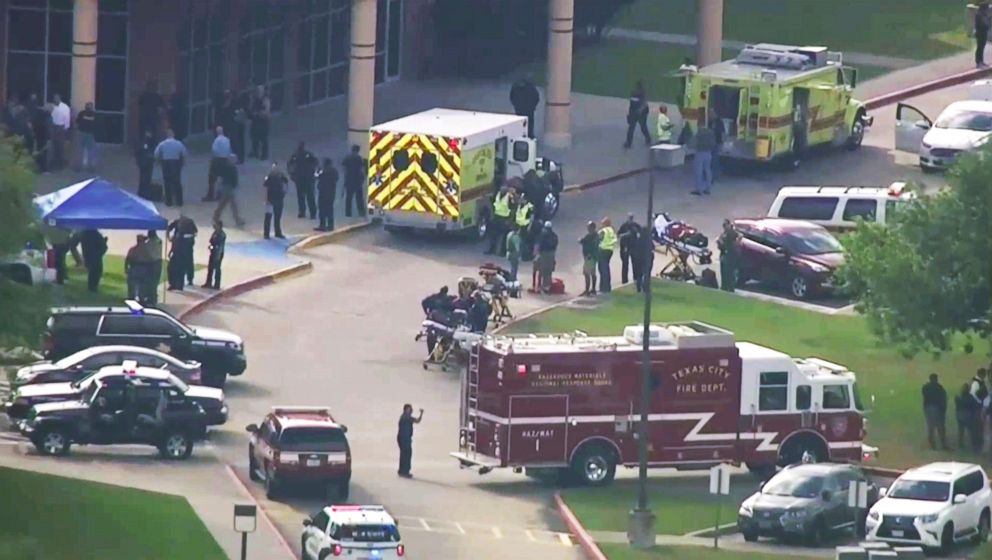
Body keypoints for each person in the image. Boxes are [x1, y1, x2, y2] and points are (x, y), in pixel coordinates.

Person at [154, 129, 187, 207]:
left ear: (167, 135)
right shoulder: (179, 143)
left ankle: (169, 202)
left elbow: (156, 153)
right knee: (177, 182)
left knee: (167, 182)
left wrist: (158, 161)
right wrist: (183, 162)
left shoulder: (162, 144)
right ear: (173, 135)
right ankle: (179, 201)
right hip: (176, 163)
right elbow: (184, 153)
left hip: (166, 163)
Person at [288, 141, 319, 219]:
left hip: (306, 178)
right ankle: (304, 212)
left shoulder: (305, 155)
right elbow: (289, 165)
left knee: (308, 196)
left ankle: (311, 213)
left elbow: (316, 162)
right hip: (302, 178)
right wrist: (292, 174)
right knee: (303, 197)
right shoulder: (297, 155)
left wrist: (292, 174)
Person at [167, 212, 197, 288]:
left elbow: (194, 233)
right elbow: (169, 229)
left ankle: (184, 282)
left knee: (184, 266)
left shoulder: (189, 224)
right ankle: (173, 283)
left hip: (186, 250)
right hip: (177, 250)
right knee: (173, 268)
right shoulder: (177, 223)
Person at [213, 155, 245, 227]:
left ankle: (216, 217)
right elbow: (229, 179)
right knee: (233, 204)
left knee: (223, 204)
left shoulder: (228, 167)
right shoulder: (229, 168)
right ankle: (237, 220)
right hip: (228, 188)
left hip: (227, 187)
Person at [922, 373, 949, 451]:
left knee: (931, 426)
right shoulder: (939, 387)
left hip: (928, 408)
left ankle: (932, 443)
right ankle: (943, 444)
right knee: (940, 427)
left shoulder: (925, 387)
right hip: (937, 408)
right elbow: (943, 398)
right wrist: (943, 409)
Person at [396, 404, 423, 478]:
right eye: (409, 409)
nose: (410, 410)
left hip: (404, 438)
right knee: (406, 455)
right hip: (404, 439)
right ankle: (405, 471)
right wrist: (421, 413)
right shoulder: (406, 417)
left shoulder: (405, 417)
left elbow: (416, 421)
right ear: (405, 409)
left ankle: (402, 471)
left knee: (404, 455)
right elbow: (417, 421)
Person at [691, 119, 716, 195]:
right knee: (708, 170)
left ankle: (698, 189)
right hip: (708, 153)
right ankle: (708, 188)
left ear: (699, 125)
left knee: (698, 171)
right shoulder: (710, 132)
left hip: (700, 152)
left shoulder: (699, 133)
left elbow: (693, 142)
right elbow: (714, 143)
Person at [206, 126, 231, 202]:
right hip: (225, 160)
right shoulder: (227, 140)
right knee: (223, 178)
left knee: (212, 178)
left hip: (217, 160)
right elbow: (229, 150)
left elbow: (214, 150)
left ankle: (211, 195)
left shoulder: (217, 140)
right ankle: (221, 194)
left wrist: (212, 160)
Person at [263, 162, 288, 239]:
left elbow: (286, 184)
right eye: (274, 168)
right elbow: (265, 188)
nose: (275, 170)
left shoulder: (281, 176)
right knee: (268, 216)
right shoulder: (269, 177)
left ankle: (277, 232)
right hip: (270, 199)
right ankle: (266, 234)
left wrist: (284, 193)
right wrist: (265, 199)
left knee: (277, 216)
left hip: (279, 198)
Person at [486, 185, 513, 255]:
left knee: (503, 237)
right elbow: (494, 202)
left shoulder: (509, 197)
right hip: (496, 217)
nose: (502, 190)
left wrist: (509, 220)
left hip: (505, 218)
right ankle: (492, 249)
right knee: (493, 235)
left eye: (504, 189)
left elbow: (512, 209)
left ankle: (503, 252)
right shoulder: (497, 194)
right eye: (501, 188)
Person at [623, 81, 650, 149]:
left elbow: (644, 105)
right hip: (635, 113)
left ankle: (648, 138)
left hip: (641, 113)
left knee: (642, 127)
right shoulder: (634, 93)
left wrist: (639, 111)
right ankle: (629, 142)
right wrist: (630, 114)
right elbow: (631, 105)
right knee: (632, 128)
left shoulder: (641, 95)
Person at [617, 214, 642, 286]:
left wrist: (638, 235)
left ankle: (636, 279)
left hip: (634, 247)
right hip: (625, 247)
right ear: (627, 218)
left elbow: (641, 233)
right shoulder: (624, 226)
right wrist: (626, 234)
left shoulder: (636, 226)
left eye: (631, 218)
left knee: (635, 264)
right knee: (625, 264)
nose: (630, 219)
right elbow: (618, 235)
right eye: (629, 218)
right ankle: (624, 280)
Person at [342, 145, 366, 217]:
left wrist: (345, 179)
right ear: (357, 150)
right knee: (359, 198)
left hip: (349, 179)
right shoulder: (359, 158)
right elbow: (362, 169)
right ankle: (361, 212)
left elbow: (344, 168)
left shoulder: (347, 157)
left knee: (349, 198)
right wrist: (363, 177)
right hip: (357, 180)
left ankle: (348, 213)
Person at [315, 157, 339, 231]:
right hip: (331, 192)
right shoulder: (334, 171)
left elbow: (315, 176)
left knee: (322, 209)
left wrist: (318, 170)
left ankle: (322, 225)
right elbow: (336, 179)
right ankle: (330, 225)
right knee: (330, 209)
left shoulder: (322, 170)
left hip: (323, 192)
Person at [716, 220, 739, 292]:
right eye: (723, 225)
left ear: (728, 225)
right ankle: (724, 286)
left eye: (725, 225)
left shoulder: (731, 232)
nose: (724, 227)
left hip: (730, 254)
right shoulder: (724, 233)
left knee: (729, 271)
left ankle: (730, 287)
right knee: (723, 271)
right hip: (723, 253)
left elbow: (739, 236)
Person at [248, 85, 270, 160]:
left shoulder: (265, 100)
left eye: (259, 91)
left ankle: (264, 154)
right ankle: (255, 152)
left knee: (263, 138)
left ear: (263, 92)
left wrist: (258, 113)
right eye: (257, 91)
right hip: (255, 121)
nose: (258, 92)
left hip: (263, 121)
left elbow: (267, 111)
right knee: (254, 137)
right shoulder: (254, 99)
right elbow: (251, 108)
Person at [49, 94, 70, 170]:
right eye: (54, 98)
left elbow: (67, 118)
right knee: (54, 144)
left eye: (56, 98)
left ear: (59, 99)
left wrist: (66, 128)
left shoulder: (65, 107)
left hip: (61, 127)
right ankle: (54, 161)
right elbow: (51, 117)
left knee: (60, 145)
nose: (55, 100)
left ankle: (61, 162)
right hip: (54, 127)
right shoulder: (53, 107)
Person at [203, 221, 226, 290]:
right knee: (210, 267)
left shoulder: (222, 234)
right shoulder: (215, 233)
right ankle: (208, 283)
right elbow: (211, 241)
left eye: (216, 225)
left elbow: (219, 245)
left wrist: (218, 254)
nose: (214, 226)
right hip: (213, 252)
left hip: (218, 252)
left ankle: (217, 284)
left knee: (217, 268)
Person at [536, 221, 558, 293]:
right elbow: (555, 244)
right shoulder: (554, 235)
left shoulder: (542, 234)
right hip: (551, 254)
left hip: (544, 254)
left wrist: (537, 252)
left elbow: (539, 244)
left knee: (542, 270)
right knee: (549, 271)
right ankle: (547, 287)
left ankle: (541, 286)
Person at [956, 383, 979, 451]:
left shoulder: (958, 397)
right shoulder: (970, 397)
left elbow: (957, 407)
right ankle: (973, 445)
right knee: (971, 431)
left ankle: (961, 445)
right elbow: (974, 406)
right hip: (968, 416)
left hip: (960, 415)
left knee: (961, 432)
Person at [970, 368, 989, 451]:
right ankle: (977, 443)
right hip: (977, 407)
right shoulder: (976, 383)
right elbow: (973, 394)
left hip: (978, 406)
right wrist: (980, 402)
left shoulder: (978, 382)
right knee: (978, 425)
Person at [75, 101, 97, 171]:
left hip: (90, 134)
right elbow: (77, 122)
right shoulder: (82, 113)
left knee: (90, 150)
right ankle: (80, 166)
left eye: (90, 106)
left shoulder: (94, 114)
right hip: (82, 133)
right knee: (81, 150)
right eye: (88, 106)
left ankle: (91, 166)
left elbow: (96, 124)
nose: (89, 107)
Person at [135, 130, 156, 199]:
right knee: (143, 178)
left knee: (147, 178)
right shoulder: (142, 142)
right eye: (147, 133)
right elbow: (138, 152)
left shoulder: (152, 142)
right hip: (143, 163)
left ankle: (145, 193)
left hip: (149, 163)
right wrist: (138, 161)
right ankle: (141, 192)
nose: (149, 135)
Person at [598, 217, 617, 293]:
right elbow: (615, 239)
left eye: (602, 223)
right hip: (610, 250)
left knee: (603, 269)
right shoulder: (611, 230)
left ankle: (604, 288)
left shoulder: (603, 231)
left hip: (603, 250)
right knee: (606, 268)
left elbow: (598, 239)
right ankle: (606, 286)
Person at [580, 221, 599, 296]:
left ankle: (587, 290)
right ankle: (593, 289)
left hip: (589, 257)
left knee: (586, 273)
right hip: (593, 257)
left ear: (592, 228)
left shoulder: (590, 236)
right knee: (592, 273)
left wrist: (581, 240)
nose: (587, 228)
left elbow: (583, 241)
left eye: (589, 227)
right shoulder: (596, 236)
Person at [143, 230, 163, 305]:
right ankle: (153, 297)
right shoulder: (159, 241)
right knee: (155, 281)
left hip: (151, 263)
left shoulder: (149, 243)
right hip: (158, 262)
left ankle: (151, 298)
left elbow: (146, 250)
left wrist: (144, 240)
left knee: (151, 281)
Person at [125, 235, 146, 300]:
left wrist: (126, 268)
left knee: (132, 285)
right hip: (139, 268)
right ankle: (139, 298)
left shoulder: (132, 249)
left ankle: (132, 298)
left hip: (133, 268)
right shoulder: (145, 250)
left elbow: (127, 260)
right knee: (140, 285)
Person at [709, 111, 725, 180]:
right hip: (711, 143)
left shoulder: (719, 122)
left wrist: (722, 142)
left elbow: (722, 132)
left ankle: (716, 175)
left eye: (712, 114)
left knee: (715, 159)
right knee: (713, 159)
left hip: (717, 142)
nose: (711, 115)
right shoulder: (710, 122)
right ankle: (713, 175)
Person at [977, 2, 992, 68]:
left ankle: (981, 61)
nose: (988, 9)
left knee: (982, 47)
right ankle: (978, 62)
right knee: (980, 48)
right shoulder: (979, 15)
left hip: (984, 32)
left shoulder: (984, 15)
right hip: (980, 33)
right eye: (987, 8)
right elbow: (983, 23)